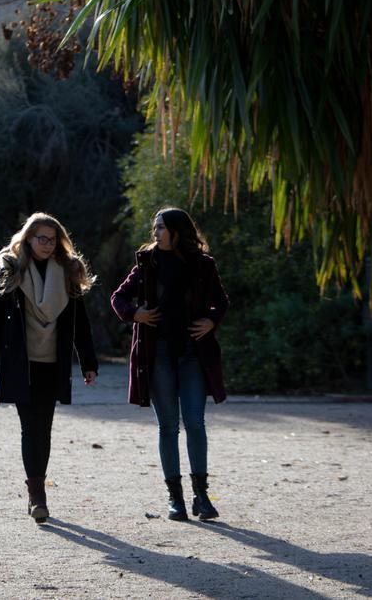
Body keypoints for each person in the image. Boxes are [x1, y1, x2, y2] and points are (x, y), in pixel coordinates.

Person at [110, 207, 229, 521]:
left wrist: (211, 321)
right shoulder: (146, 262)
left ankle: (201, 497)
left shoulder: (203, 264)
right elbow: (118, 298)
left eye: (161, 227)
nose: (156, 233)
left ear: (177, 231)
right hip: (157, 354)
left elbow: (222, 301)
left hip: (192, 354)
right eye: (155, 227)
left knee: (195, 423)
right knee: (167, 426)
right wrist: (135, 313)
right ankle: (174, 498)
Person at [0, 213, 99, 524]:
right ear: (28, 239)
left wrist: (88, 363)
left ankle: (37, 490)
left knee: (43, 428)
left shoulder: (68, 271)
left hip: (53, 362)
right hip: (22, 361)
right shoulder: (12, 269)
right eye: (41, 239)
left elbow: (80, 323)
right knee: (30, 427)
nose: (47, 245)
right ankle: (37, 495)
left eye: (52, 239)